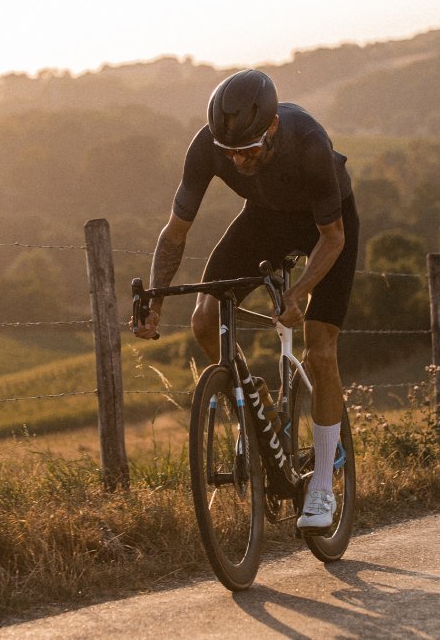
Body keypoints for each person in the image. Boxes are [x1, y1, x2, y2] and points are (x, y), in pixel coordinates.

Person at [132, 69, 359, 532]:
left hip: (328, 230)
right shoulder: (208, 147)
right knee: (204, 319)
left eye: (249, 151)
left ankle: (321, 488)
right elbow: (175, 232)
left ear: (272, 128)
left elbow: (332, 239)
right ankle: (253, 415)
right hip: (264, 221)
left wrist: (298, 294)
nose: (238, 161)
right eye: (229, 153)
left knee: (320, 348)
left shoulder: (309, 143)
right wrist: (154, 298)